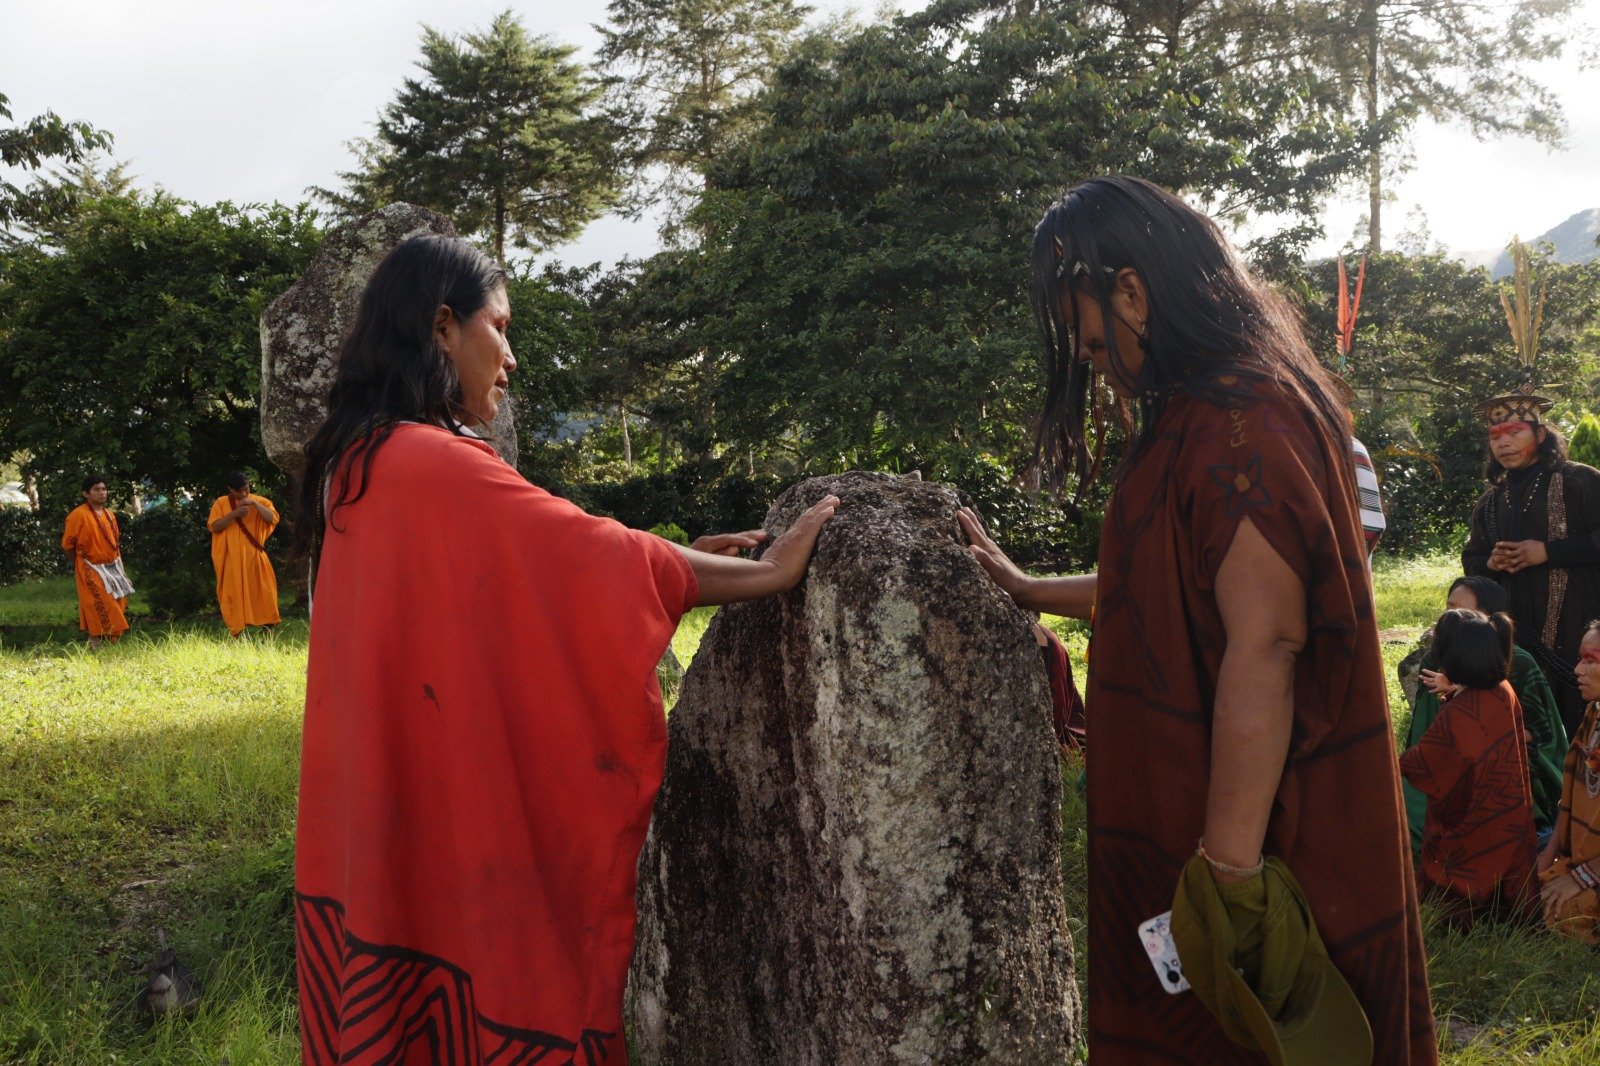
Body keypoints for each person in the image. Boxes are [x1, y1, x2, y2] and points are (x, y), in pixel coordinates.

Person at [290, 234, 838, 1065]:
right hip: (450, 833)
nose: (508, 358)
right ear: (443, 328)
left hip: (374, 822)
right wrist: (770, 575)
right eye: (500, 328)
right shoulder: (433, 463)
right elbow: (594, 558)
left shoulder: (359, 462)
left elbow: (539, 574)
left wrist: (679, 551)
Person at [960, 175, 1433, 1062]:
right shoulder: (1211, 412)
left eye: (1093, 339)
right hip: (1205, 817)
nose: (1095, 361)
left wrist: (1227, 875)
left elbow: (1267, 641)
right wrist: (1028, 588)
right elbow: (1170, 595)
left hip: (1256, 834)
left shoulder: (1242, 424)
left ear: (1133, 292)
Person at [1462, 399, 1600, 738]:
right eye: (1495, 436)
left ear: (1540, 433)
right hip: (1517, 633)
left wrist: (1550, 551)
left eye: (1514, 431)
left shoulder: (1580, 481)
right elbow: (1472, 560)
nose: (1503, 443)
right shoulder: (1491, 500)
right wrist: (1490, 563)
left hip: (1580, 623)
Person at [1402, 576, 1567, 853]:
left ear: (1486, 621)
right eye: (1448, 607)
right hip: (1440, 759)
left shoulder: (1518, 662)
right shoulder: (1435, 658)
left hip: (1505, 767)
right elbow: (1425, 730)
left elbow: (1542, 736)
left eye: (1461, 611)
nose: (1448, 617)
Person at [1398, 609, 1538, 927]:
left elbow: (1423, 760)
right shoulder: (1501, 689)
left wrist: (1385, 764)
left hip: (1474, 827)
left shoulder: (1461, 710)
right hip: (1508, 817)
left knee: (1459, 891)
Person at [1538, 619, 1600, 943]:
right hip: (1581, 858)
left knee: (1564, 912)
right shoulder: (1594, 713)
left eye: (1590, 660)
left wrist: (1582, 878)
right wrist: (1546, 862)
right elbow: (1569, 800)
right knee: (1532, 890)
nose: (1577, 669)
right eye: (1580, 658)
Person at [61, 474, 133, 646]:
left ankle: (106, 640)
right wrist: (78, 563)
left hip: (113, 565)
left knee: (120, 600)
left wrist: (120, 566)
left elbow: (114, 542)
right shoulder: (78, 515)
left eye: (103, 489)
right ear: (86, 494)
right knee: (100, 601)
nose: (102, 492)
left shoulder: (109, 514)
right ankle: (96, 639)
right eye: (96, 489)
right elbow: (67, 545)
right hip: (89, 565)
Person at [206, 472, 281, 638]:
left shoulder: (261, 501)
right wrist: (234, 514)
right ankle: (237, 634)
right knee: (233, 595)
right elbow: (214, 527)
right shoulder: (221, 503)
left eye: (246, 489)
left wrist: (254, 503)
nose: (244, 494)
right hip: (231, 560)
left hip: (255, 557)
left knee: (265, 594)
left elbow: (273, 518)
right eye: (239, 491)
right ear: (230, 490)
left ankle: (268, 632)